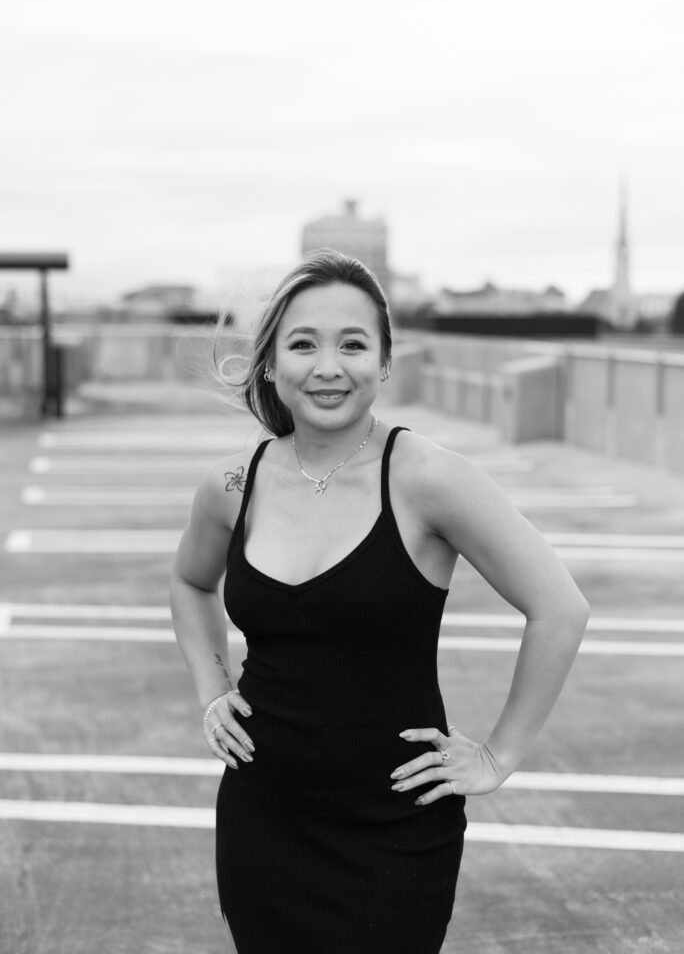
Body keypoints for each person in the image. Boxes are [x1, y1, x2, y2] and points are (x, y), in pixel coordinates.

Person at [169, 248, 590, 954]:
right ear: (270, 361)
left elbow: (559, 608)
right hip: (262, 821)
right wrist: (213, 687)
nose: (328, 366)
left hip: (396, 835)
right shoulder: (232, 486)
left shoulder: (430, 478)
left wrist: (497, 756)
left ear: (386, 362)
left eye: (353, 344)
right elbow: (189, 582)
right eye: (303, 343)